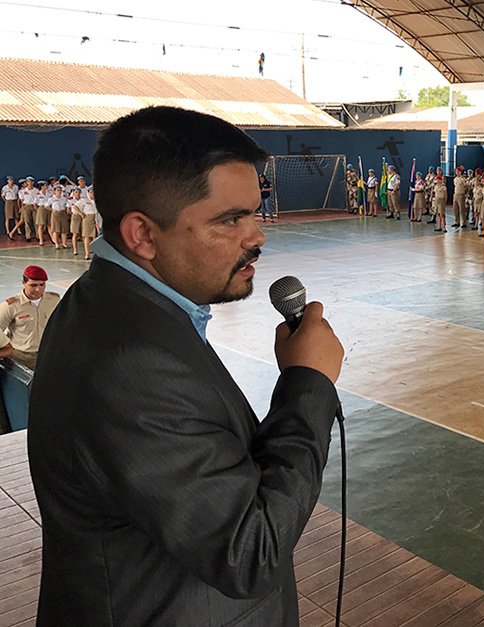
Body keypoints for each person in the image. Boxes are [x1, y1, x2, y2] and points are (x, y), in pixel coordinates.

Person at [28, 106, 344, 626]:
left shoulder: (108, 304)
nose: (256, 236)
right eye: (230, 219)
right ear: (144, 235)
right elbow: (249, 552)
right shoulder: (132, 362)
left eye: (254, 210)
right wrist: (307, 384)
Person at [0, 265, 60, 371]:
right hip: (21, 358)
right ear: (23, 283)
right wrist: (5, 346)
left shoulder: (54, 300)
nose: (38, 289)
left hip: (47, 354)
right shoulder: (11, 306)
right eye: (33, 285)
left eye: (42, 285)